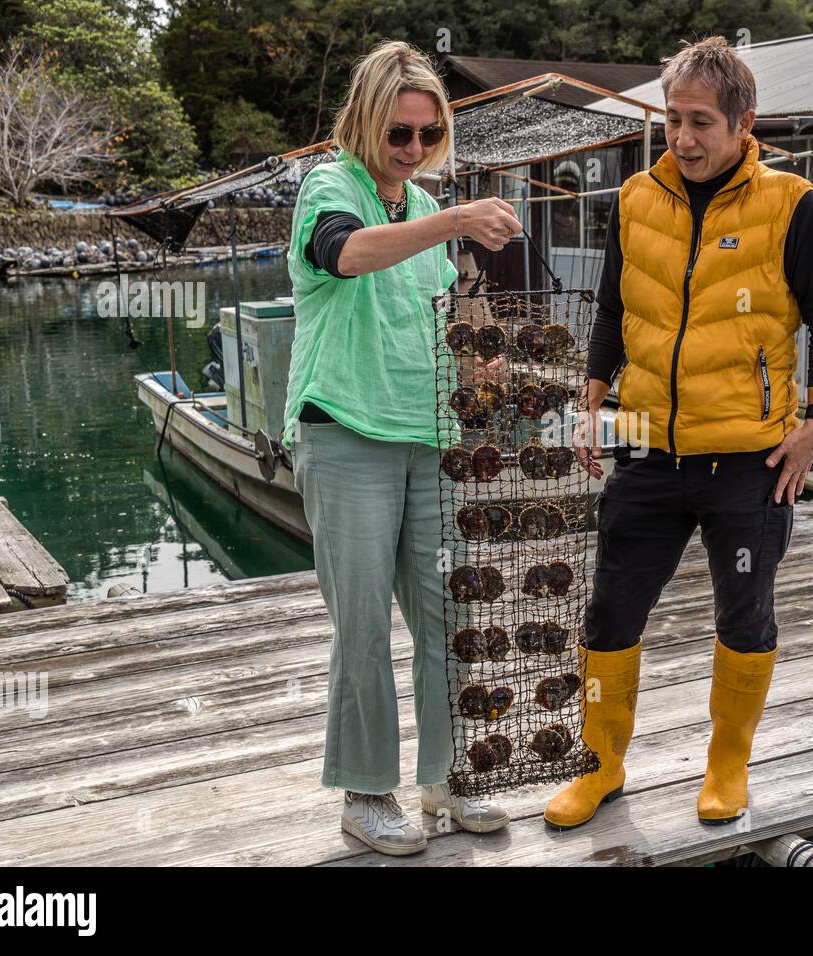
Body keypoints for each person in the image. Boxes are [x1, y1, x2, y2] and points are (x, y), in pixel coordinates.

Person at [545, 36, 813, 830]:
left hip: (749, 461)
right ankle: (600, 765)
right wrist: (591, 400)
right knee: (610, 614)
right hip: (648, 449)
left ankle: (727, 764)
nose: (683, 138)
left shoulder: (791, 204)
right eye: (674, 120)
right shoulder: (635, 200)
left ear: (743, 124)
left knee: (743, 616)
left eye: (701, 123)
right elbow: (614, 309)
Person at [282, 39, 523, 856]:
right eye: (400, 134)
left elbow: (437, 316)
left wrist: (476, 350)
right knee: (360, 625)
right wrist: (452, 219)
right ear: (365, 124)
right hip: (345, 432)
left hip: (430, 438)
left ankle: (447, 778)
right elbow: (342, 256)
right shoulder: (330, 187)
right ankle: (365, 793)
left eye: (427, 135)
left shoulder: (422, 204)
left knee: (449, 617)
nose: (414, 150)